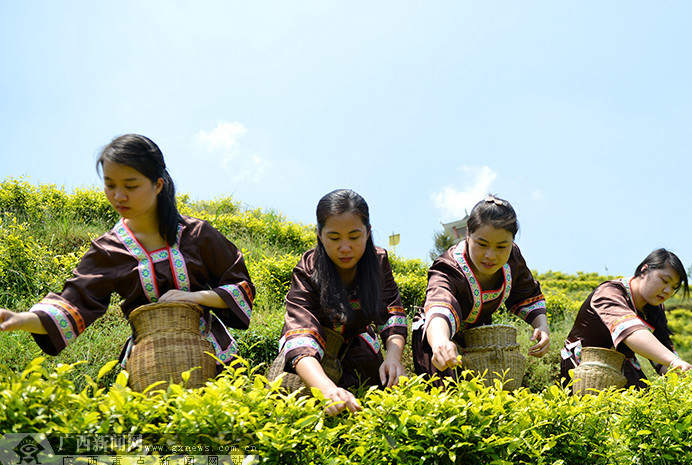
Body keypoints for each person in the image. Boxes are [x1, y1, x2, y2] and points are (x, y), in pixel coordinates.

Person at [0, 134, 255, 367]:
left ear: (158, 185)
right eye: (110, 185)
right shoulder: (108, 250)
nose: (118, 196)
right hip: (147, 365)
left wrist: (195, 297)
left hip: (215, 358)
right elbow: (72, 304)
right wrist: (20, 319)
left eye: (130, 186)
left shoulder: (196, 234)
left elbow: (240, 286)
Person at [278, 189, 407, 416]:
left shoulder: (378, 262)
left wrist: (393, 358)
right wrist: (326, 388)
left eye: (354, 237)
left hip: (358, 345)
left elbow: (392, 315)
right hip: (316, 349)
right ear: (319, 235)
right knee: (293, 394)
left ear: (368, 232)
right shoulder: (308, 269)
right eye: (334, 238)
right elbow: (300, 334)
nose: (345, 247)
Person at [412, 195, 550, 377]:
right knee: (445, 389)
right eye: (482, 244)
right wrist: (440, 341)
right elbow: (440, 305)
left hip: (480, 338)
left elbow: (527, 294)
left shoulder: (513, 258)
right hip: (436, 338)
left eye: (501, 247)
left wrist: (542, 326)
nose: (490, 255)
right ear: (468, 235)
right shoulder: (448, 267)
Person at [560, 248, 692, 389]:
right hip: (585, 368)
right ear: (644, 270)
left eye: (674, 288)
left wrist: (684, 376)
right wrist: (674, 361)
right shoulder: (610, 293)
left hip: (621, 367)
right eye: (665, 281)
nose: (668, 291)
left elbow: (663, 351)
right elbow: (630, 332)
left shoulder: (655, 309)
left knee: (649, 400)